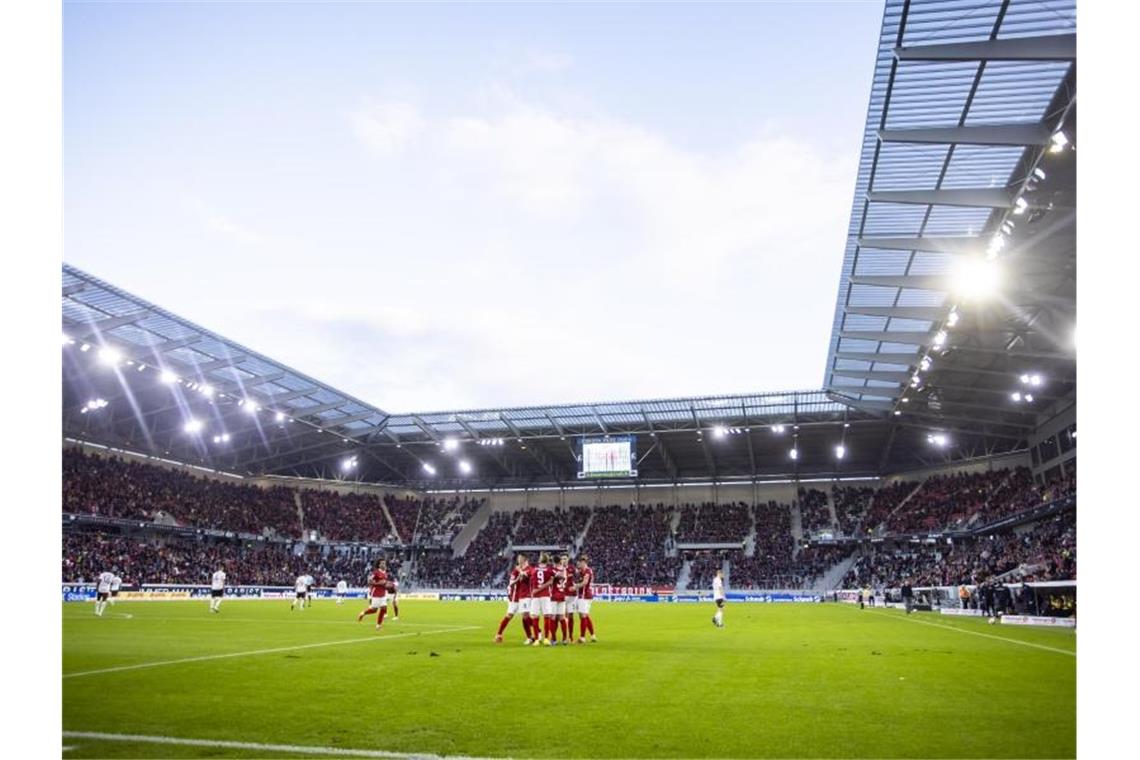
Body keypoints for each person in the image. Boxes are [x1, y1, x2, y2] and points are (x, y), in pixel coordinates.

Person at [496, 553, 529, 644]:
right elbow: (511, 583)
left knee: (526, 616)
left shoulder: (527, 569)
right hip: (515, 597)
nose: (519, 559)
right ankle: (499, 634)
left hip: (524, 596)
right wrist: (518, 577)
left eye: (521, 558)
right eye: (518, 558)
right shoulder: (516, 570)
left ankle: (535, 634)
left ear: (525, 559)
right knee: (510, 615)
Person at [356, 560, 390, 630]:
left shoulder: (385, 573)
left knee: (384, 608)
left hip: (383, 592)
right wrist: (378, 584)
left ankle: (378, 626)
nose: (384, 564)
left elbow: (384, 583)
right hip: (376, 593)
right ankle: (363, 613)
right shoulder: (376, 572)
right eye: (382, 563)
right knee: (374, 610)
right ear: (379, 565)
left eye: (384, 563)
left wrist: (387, 584)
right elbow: (369, 581)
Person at [531, 552, 556, 646]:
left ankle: (537, 639)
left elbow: (532, 580)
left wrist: (536, 589)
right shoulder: (549, 570)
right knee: (547, 616)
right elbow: (556, 577)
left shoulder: (534, 569)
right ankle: (546, 638)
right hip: (545, 595)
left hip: (536, 596)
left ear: (541, 559)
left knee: (535, 617)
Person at [575, 555, 596, 643]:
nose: (579, 563)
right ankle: (593, 635)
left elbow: (585, 582)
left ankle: (582, 637)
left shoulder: (587, 571)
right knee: (584, 615)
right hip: (583, 595)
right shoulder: (582, 571)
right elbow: (591, 580)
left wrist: (575, 587)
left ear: (584, 562)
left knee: (583, 615)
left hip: (584, 596)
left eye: (581, 562)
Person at [561, 554, 577, 644]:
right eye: (562, 559)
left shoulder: (572, 569)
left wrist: (576, 586)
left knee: (570, 616)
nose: (564, 560)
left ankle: (570, 636)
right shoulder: (558, 569)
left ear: (568, 560)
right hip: (562, 596)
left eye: (565, 558)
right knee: (563, 616)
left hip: (571, 596)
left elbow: (578, 579)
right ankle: (565, 637)